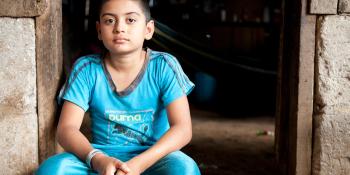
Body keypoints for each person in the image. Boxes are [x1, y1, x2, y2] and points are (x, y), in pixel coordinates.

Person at [36, 0, 200, 174]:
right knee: (53, 169)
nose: (119, 28)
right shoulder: (87, 69)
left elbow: (182, 129)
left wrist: (137, 165)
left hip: (154, 158)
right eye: (109, 21)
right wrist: (97, 160)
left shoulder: (164, 66)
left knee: (185, 169)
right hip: (101, 158)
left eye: (130, 20)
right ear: (99, 30)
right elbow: (66, 129)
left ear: (148, 30)